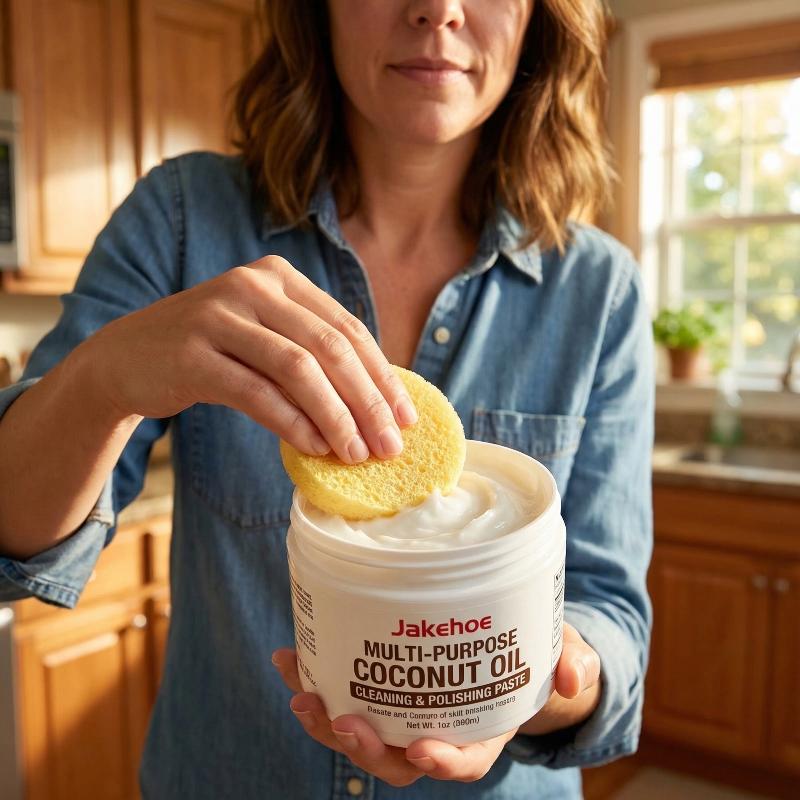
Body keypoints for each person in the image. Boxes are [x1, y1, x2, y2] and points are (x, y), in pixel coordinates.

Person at [0, 1, 654, 797]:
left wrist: (529, 686)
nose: (438, 9)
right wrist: (104, 379)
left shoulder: (600, 290)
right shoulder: (182, 221)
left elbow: (609, 615)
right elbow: (11, 545)